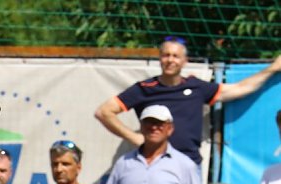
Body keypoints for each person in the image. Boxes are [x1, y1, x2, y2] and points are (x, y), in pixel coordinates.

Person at [95, 36, 281, 165]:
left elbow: (239, 89)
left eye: (175, 56)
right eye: (166, 55)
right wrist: (135, 138)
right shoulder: (144, 89)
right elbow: (104, 112)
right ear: (160, 59)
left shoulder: (196, 87)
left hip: (188, 163)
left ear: (185, 61)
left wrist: (273, 69)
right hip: (152, 162)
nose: (170, 60)